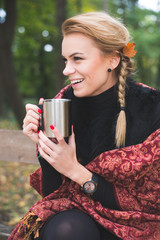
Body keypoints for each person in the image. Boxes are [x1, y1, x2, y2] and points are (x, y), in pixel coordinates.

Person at [9, 12, 160, 240]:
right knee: (68, 229)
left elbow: (148, 205)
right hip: (77, 221)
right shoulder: (63, 104)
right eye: (65, 60)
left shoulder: (152, 107)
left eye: (77, 59)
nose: (66, 70)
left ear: (112, 60)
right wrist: (45, 147)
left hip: (139, 226)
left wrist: (75, 171)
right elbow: (55, 199)